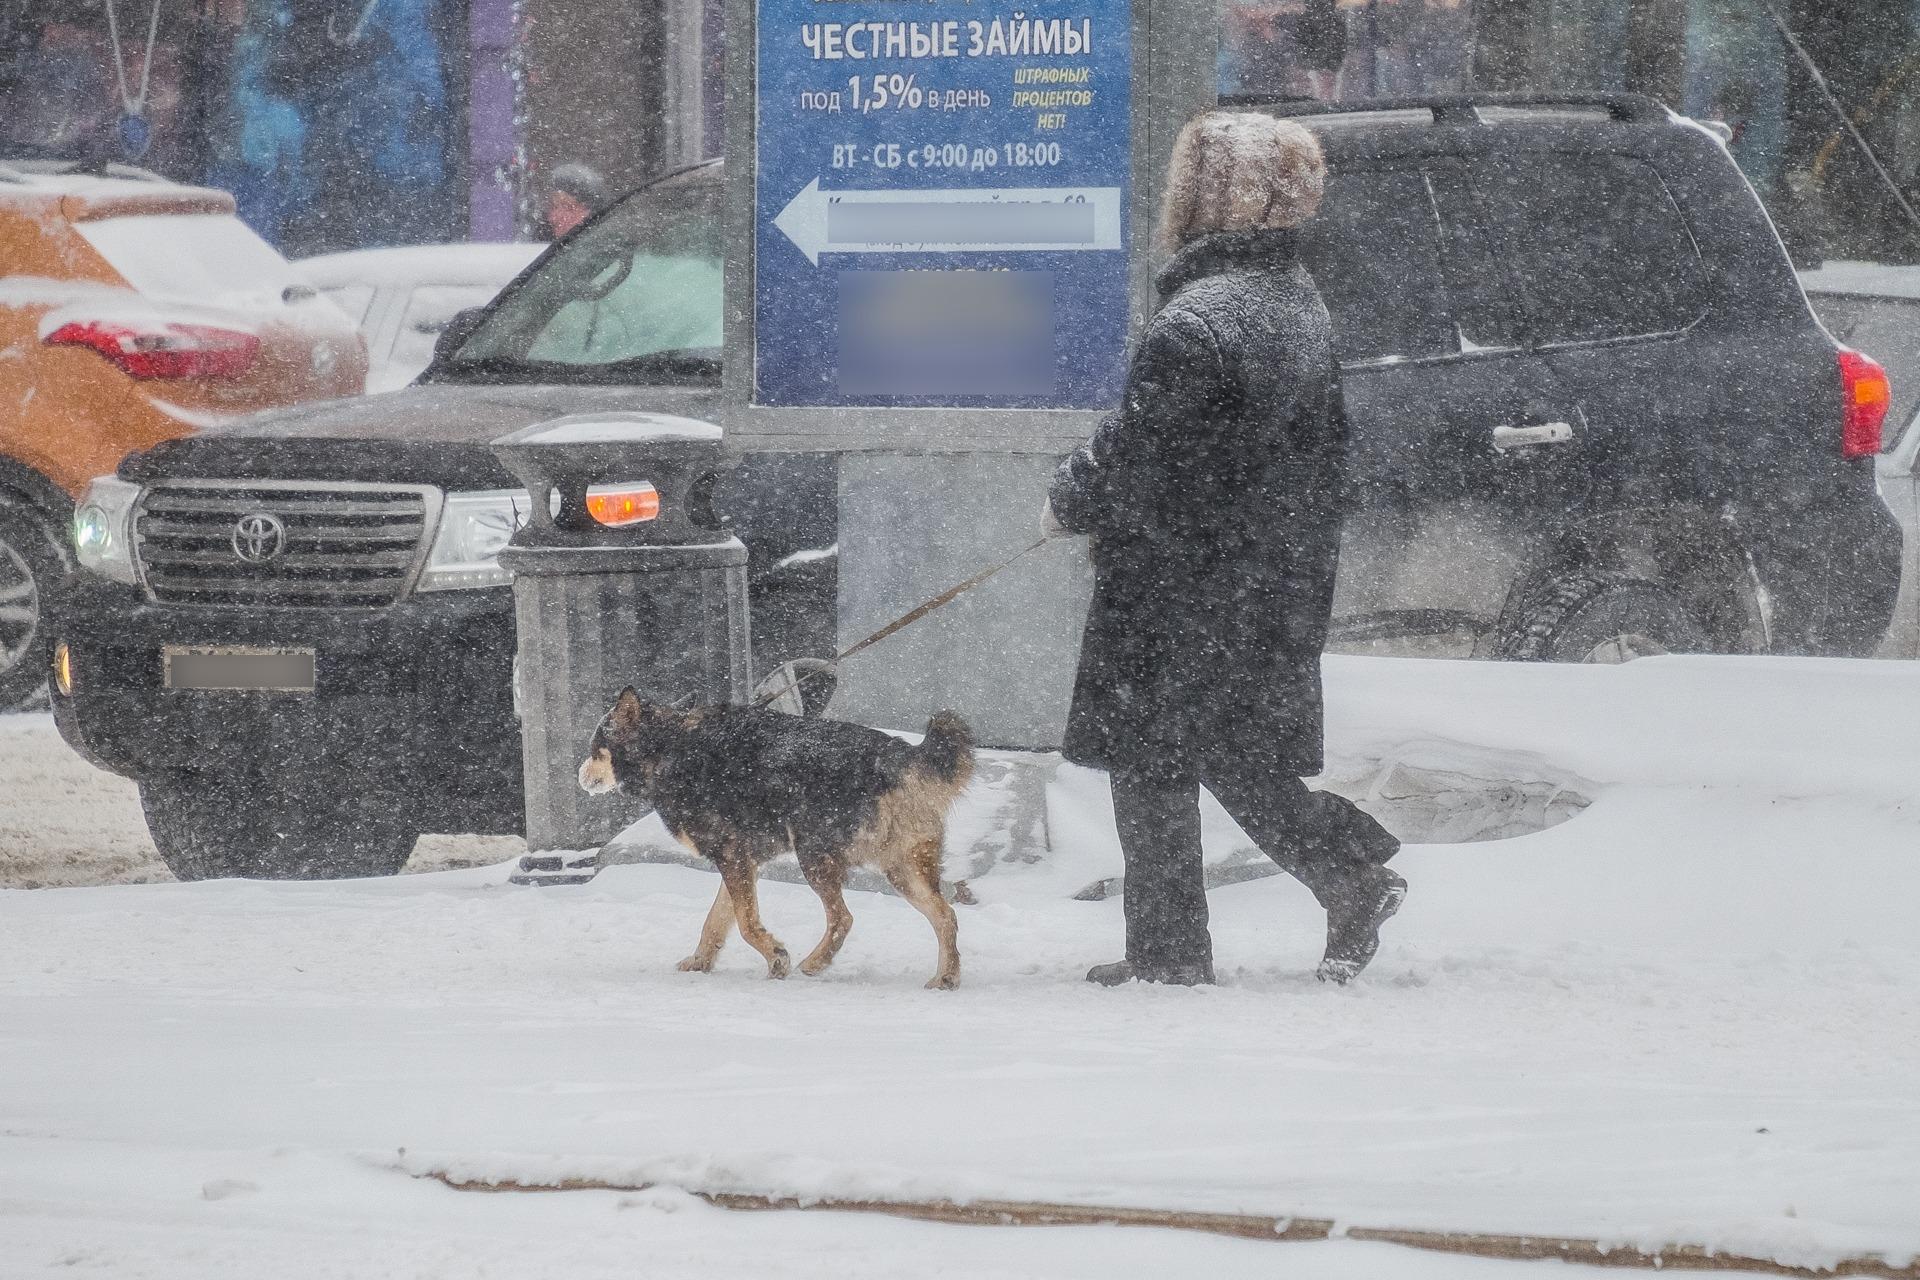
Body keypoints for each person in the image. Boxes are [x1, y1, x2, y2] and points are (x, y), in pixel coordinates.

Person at [1042, 111, 1405, 988]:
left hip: (1180, 581)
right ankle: (1348, 874)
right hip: (1270, 572)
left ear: (1197, 200)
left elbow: (1148, 459)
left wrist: (1074, 494)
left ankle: (1171, 953)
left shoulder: (1195, 322)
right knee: (1240, 751)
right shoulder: (1293, 301)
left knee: (1151, 758)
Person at [542, 162, 610, 238]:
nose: (553, 218)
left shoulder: (600, 238)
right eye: (554, 207)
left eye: (568, 207)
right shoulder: (536, 241)